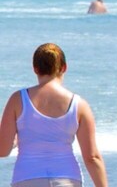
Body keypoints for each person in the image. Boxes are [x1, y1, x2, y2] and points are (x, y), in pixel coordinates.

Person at [1, 43, 108, 187]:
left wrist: (15, 140)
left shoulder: (18, 100)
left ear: (35, 69)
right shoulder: (79, 105)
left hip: (27, 178)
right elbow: (92, 157)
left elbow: (3, 150)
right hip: (67, 179)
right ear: (64, 67)